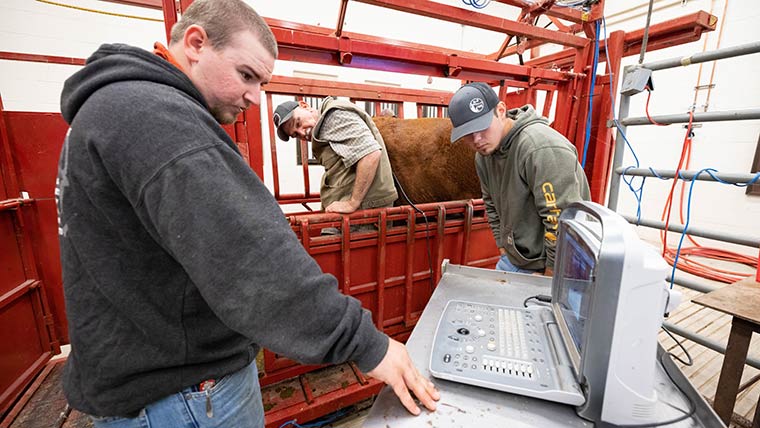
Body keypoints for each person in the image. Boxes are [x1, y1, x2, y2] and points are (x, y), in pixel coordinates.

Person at [55, 0, 438, 426]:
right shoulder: (153, 115)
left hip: (154, 378)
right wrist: (367, 342)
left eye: (261, 82)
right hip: (185, 395)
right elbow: (249, 254)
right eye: (246, 75)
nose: (255, 96)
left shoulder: (115, 109)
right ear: (196, 43)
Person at [448, 82, 590, 276]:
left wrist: (550, 274)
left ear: (500, 110)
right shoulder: (484, 156)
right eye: (468, 135)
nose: (477, 139)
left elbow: (561, 219)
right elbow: (490, 203)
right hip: (515, 259)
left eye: (482, 127)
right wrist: (503, 247)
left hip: (559, 267)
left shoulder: (540, 148)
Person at [272, 98, 398, 214]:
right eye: (295, 135)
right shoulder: (323, 126)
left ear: (304, 105)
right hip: (356, 206)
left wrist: (352, 203)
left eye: (298, 123)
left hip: (365, 209)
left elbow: (371, 153)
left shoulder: (333, 116)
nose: (302, 133)